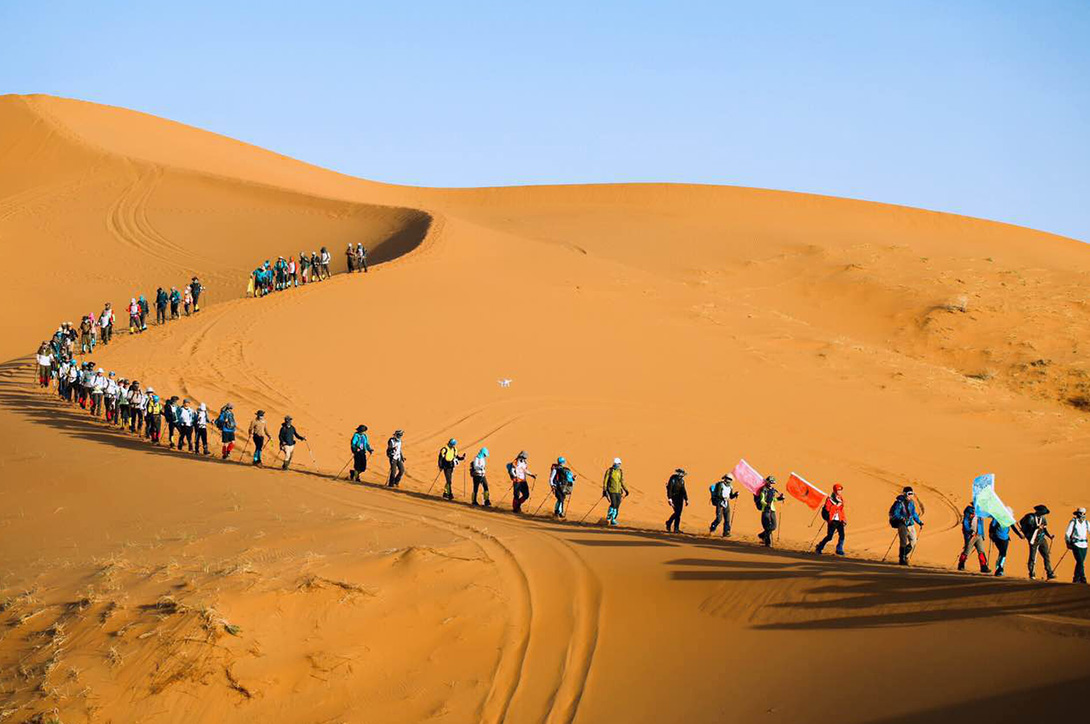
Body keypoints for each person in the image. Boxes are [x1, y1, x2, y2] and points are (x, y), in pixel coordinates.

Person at [889, 486, 924, 565]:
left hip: (910, 523)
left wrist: (919, 522)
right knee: (903, 541)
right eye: (909, 493)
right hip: (902, 524)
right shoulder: (899, 503)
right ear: (905, 494)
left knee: (913, 541)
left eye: (912, 493)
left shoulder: (911, 502)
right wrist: (902, 518)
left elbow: (914, 513)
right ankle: (902, 559)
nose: (911, 495)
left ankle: (904, 554)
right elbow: (895, 513)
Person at [1020, 504, 1056, 580]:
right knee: (1033, 557)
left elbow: (1044, 529)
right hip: (1033, 539)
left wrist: (1049, 536)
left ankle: (1049, 572)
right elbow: (1028, 528)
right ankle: (1032, 573)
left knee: (1046, 555)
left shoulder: (1043, 518)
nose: (1044, 514)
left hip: (1042, 538)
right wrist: (1036, 527)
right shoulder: (1030, 517)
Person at [988, 508, 1024, 577]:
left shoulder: (1008, 519)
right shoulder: (997, 518)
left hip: (1005, 538)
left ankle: (999, 569)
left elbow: (1013, 527)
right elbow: (992, 526)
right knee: (1003, 553)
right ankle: (999, 569)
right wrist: (991, 534)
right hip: (998, 538)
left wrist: (1019, 535)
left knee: (1002, 553)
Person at [815, 483, 847, 555]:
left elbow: (841, 510)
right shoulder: (830, 499)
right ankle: (819, 547)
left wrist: (844, 518)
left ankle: (839, 549)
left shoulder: (840, 498)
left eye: (841, 490)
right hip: (832, 520)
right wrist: (836, 505)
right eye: (838, 490)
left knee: (842, 535)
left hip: (839, 519)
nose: (840, 491)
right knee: (829, 536)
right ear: (835, 490)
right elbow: (828, 509)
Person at [958, 504, 990, 573]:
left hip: (979, 535)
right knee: (967, 551)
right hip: (971, 535)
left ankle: (983, 566)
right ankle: (961, 564)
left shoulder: (980, 512)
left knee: (981, 551)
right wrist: (969, 531)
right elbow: (965, 522)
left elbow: (981, 524)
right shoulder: (969, 511)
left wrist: (982, 535)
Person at [756, 476, 785, 547]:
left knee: (773, 526)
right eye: (770, 482)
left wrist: (779, 498)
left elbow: (773, 499)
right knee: (767, 527)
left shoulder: (773, 490)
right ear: (767, 482)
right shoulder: (764, 490)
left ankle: (762, 535)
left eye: (772, 483)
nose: (771, 484)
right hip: (765, 510)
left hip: (772, 510)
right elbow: (762, 500)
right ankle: (768, 543)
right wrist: (766, 504)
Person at [708, 473, 739, 537]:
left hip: (726, 503)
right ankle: (712, 528)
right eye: (728, 478)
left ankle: (726, 532)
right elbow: (718, 494)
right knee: (719, 519)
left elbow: (731, 496)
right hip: (720, 503)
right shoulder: (720, 485)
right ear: (725, 478)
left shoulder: (730, 487)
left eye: (730, 479)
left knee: (727, 519)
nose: (729, 480)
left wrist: (735, 494)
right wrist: (723, 498)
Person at [601, 458, 628, 526]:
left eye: (619, 464)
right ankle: (608, 517)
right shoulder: (609, 471)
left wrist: (626, 490)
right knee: (613, 504)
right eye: (617, 463)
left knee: (617, 505)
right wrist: (604, 490)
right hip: (611, 490)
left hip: (618, 491)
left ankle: (613, 519)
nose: (618, 465)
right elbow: (605, 481)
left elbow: (621, 481)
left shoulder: (620, 471)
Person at [1065, 507, 1089, 584]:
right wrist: (1068, 542)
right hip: (1076, 544)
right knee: (1080, 561)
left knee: (1080, 562)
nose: (1081, 515)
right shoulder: (1073, 522)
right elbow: (1067, 534)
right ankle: (1083, 578)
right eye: (1080, 513)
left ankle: (1076, 578)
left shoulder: (1086, 523)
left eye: (1082, 514)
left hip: (1084, 545)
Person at [665, 468, 689, 533]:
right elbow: (669, 489)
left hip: (680, 498)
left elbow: (683, 490)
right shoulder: (673, 479)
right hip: (674, 498)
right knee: (677, 512)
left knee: (678, 513)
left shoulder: (682, 481)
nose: (682, 475)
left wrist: (686, 499)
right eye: (681, 474)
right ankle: (673, 526)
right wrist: (670, 499)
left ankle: (672, 525)